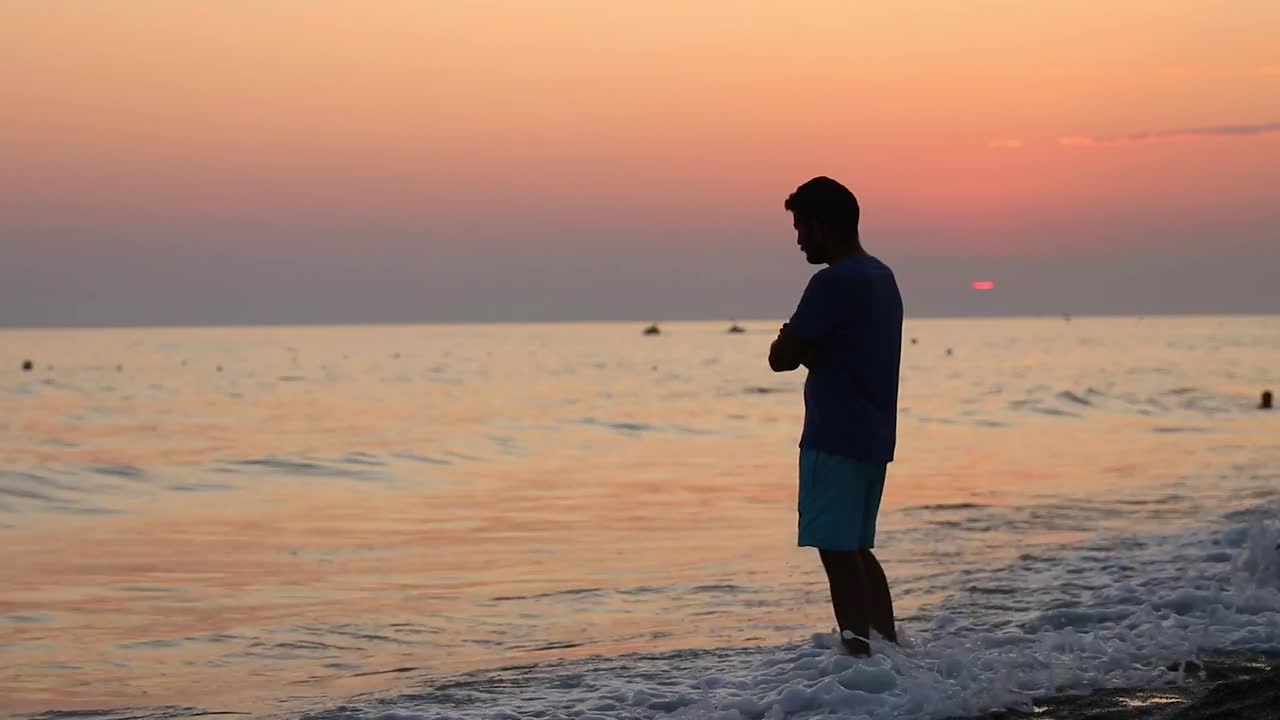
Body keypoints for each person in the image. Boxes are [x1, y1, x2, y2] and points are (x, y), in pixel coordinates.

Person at [768, 176, 903, 656]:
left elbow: (781, 357)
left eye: (801, 227)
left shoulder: (833, 281)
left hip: (834, 435)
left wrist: (796, 340)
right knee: (857, 549)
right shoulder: (881, 276)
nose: (799, 240)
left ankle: (859, 658)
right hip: (874, 435)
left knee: (838, 553)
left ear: (823, 226)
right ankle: (890, 653)